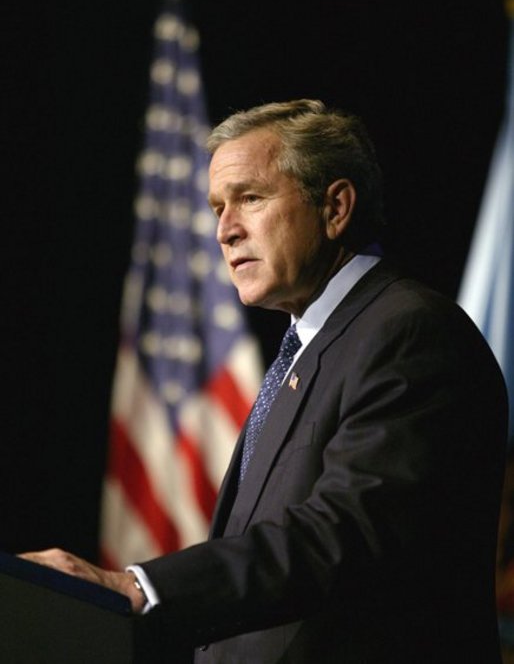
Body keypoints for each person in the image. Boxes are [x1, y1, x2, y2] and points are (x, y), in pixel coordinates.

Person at [23, 100, 508, 663]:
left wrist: (137, 587)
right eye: (217, 207)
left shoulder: (410, 332)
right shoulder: (309, 350)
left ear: (336, 208)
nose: (226, 231)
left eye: (251, 198)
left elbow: (343, 533)